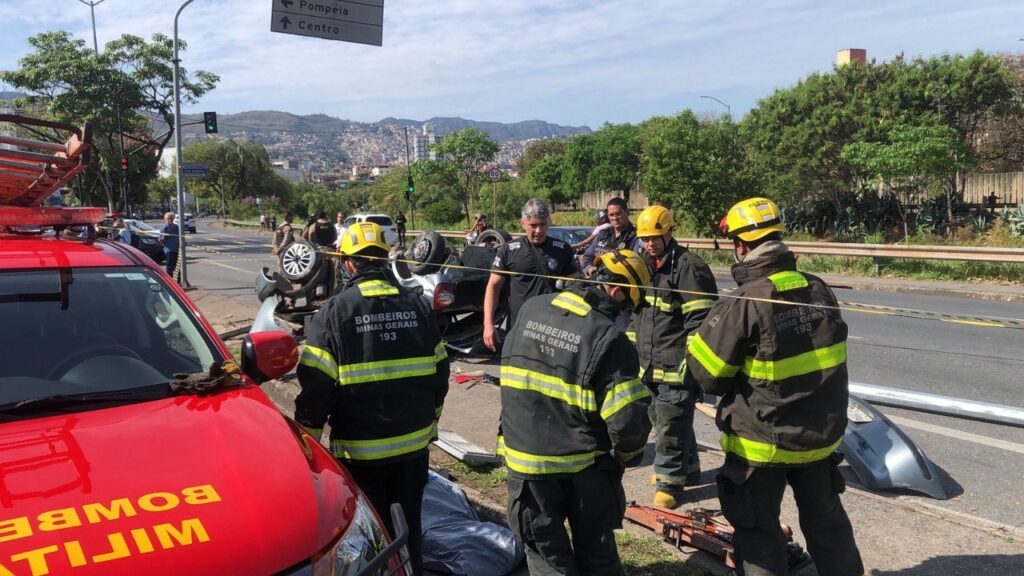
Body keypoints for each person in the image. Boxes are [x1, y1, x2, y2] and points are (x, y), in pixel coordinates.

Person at [684, 197, 863, 576]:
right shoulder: (820, 290)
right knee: (829, 528)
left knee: (759, 535)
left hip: (762, 447)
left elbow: (706, 375)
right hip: (819, 442)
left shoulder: (746, 301)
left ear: (741, 245)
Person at [295, 222, 449, 576]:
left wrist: (309, 451)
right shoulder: (419, 306)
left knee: (369, 540)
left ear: (348, 264)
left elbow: (316, 392)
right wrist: (430, 421)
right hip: (414, 449)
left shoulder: (333, 314)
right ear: (383, 260)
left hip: (361, 454)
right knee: (408, 529)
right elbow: (440, 375)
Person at [499, 248, 653, 576]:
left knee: (547, 558)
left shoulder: (531, 308)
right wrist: (625, 458)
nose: (625, 316)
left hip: (527, 467)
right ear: (615, 291)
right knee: (597, 556)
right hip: (584, 470)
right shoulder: (610, 338)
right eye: (627, 307)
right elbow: (627, 424)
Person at [628, 205, 718, 509]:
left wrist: (692, 364)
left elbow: (702, 323)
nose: (649, 244)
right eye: (645, 239)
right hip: (649, 363)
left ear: (669, 233)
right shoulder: (644, 265)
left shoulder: (689, 267)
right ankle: (688, 469)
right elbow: (637, 314)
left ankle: (670, 484)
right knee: (663, 419)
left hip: (676, 364)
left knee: (670, 424)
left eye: (655, 238)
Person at [483, 199, 577, 352]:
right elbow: (493, 287)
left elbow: (575, 286)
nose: (539, 230)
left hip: (554, 330)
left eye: (543, 224)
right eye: (533, 225)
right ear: (523, 223)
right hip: (519, 328)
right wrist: (488, 324)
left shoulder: (562, 249)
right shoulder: (508, 250)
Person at [582, 198, 641, 276]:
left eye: (618, 214)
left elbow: (638, 266)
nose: (615, 218)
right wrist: (589, 269)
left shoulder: (636, 237)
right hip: (596, 281)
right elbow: (587, 257)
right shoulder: (602, 234)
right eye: (611, 215)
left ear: (627, 213)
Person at [159, 212, 180, 279]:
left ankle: (178, 280)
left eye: (171, 218)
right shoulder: (165, 227)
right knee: (170, 265)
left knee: (177, 266)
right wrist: (164, 240)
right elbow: (161, 240)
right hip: (169, 249)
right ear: (165, 219)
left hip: (176, 249)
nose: (170, 220)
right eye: (168, 219)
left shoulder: (176, 227)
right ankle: (170, 280)